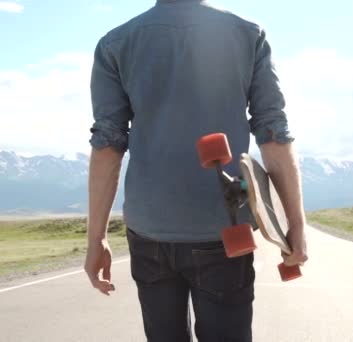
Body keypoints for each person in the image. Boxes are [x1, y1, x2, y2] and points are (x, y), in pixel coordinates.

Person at [83, 0, 308, 341]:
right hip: (224, 229)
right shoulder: (248, 35)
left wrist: (95, 238)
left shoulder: (116, 43)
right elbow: (272, 133)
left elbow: (107, 146)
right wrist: (295, 227)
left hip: (149, 231)